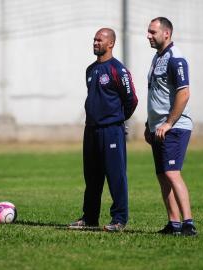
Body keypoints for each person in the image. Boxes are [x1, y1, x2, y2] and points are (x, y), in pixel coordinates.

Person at [69, 28, 138, 232]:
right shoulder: (91, 70)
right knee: (92, 177)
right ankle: (90, 218)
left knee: (116, 176)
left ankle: (119, 219)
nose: (95, 43)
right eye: (94, 39)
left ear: (111, 44)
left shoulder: (118, 70)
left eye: (100, 40)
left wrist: (116, 119)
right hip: (90, 130)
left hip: (111, 131)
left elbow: (131, 100)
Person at [145, 17, 197, 236]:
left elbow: (183, 93)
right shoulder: (158, 58)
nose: (148, 35)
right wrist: (150, 124)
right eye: (148, 31)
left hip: (175, 126)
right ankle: (173, 223)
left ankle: (188, 224)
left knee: (172, 172)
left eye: (152, 32)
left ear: (166, 33)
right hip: (159, 127)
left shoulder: (176, 58)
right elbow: (157, 94)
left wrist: (168, 122)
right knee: (162, 175)